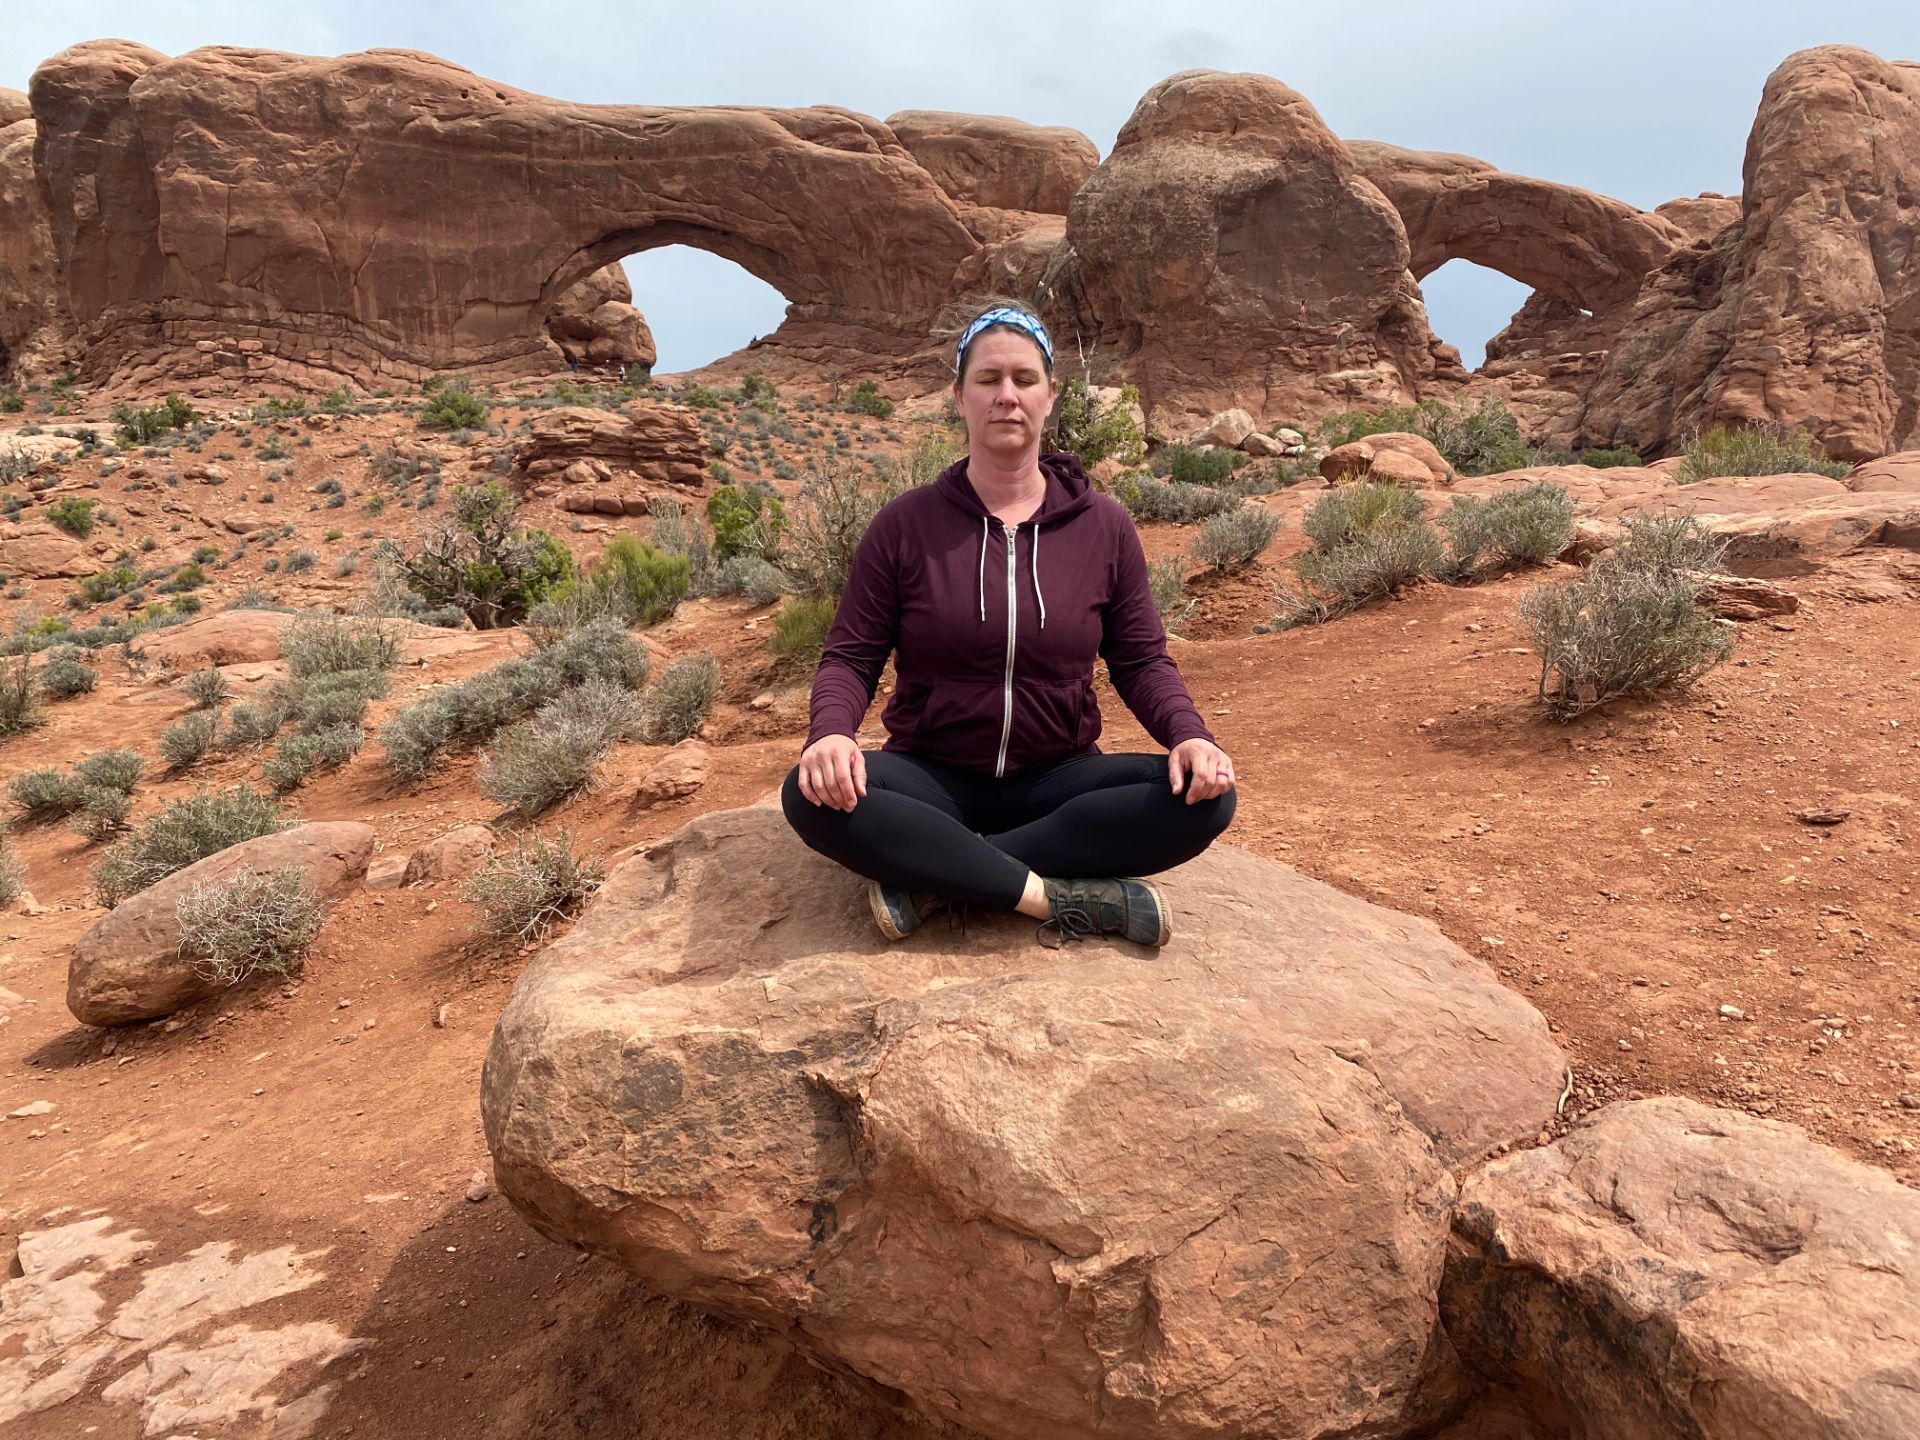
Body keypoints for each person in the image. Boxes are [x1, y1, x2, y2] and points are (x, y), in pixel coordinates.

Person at [781, 300, 1238, 948]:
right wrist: (830, 735)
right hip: (931, 772)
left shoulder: (1103, 526)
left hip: (1058, 778)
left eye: (1024, 379)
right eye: (987, 380)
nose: (1006, 396)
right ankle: (1049, 898)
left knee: (1208, 796)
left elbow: (1140, 661)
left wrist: (1191, 736)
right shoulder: (906, 526)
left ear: (1050, 395)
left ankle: (939, 871)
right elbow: (851, 659)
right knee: (809, 793)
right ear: (959, 396)